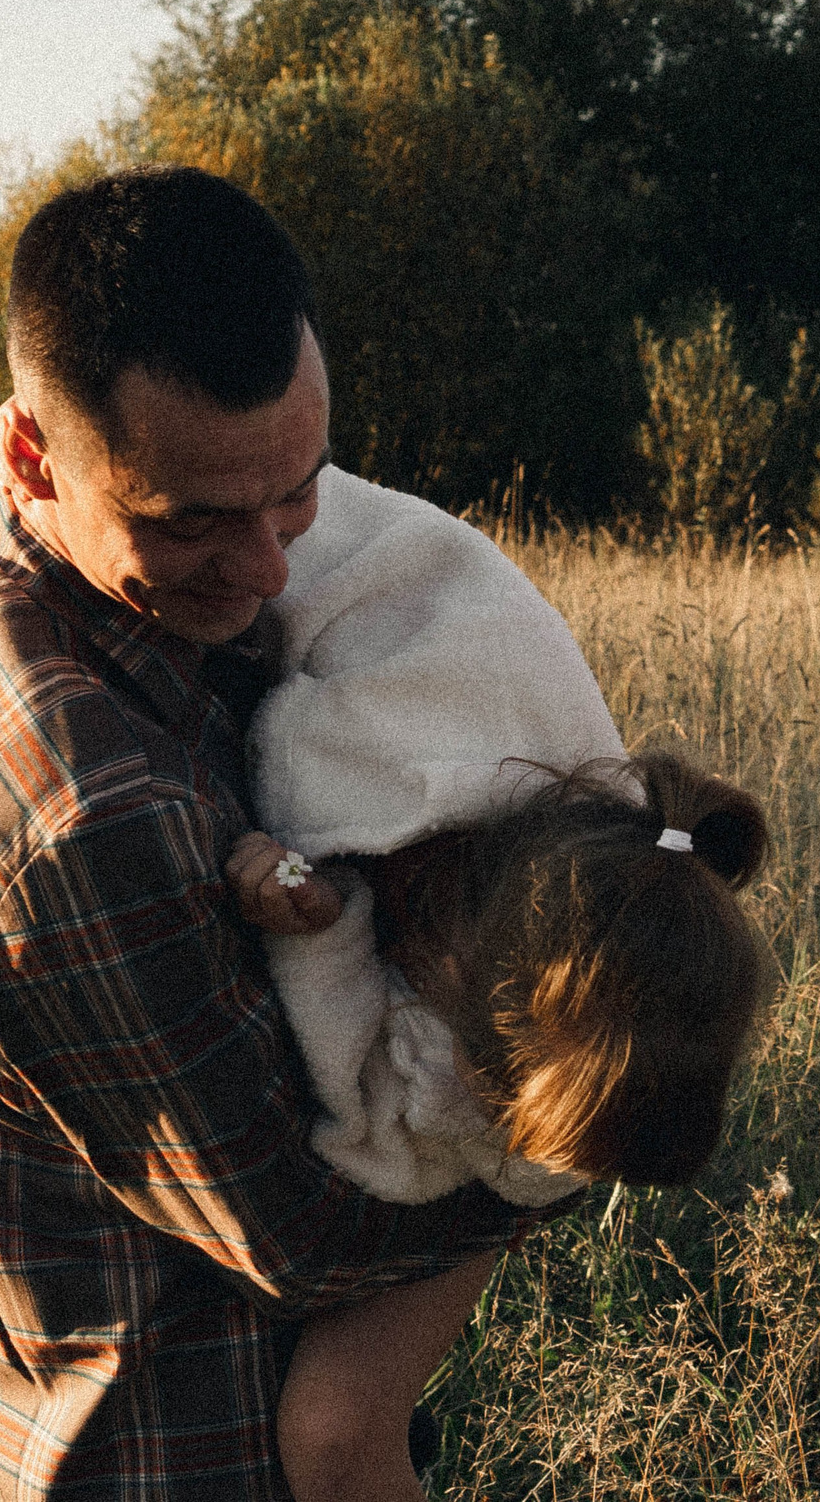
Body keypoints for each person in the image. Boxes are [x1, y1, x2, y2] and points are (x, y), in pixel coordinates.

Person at [0, 164, 535, 1500]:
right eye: (193, 521)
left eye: (299, 492)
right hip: (160, 1448)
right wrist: (582, 1113)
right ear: (34, 450)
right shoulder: (81, 825)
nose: (270, 569)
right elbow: (307, 1236)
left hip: (10, 1402)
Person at [212, 460, 774, 1502]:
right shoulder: (380, 777)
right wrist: (317, 923)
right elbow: (363, 1109)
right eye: (505, 1123)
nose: (518, 1163)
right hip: (318, 541)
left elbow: (466, 1151)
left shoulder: (627, 891)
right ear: (452, 975)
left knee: (337, 1428)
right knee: (333, 1431)